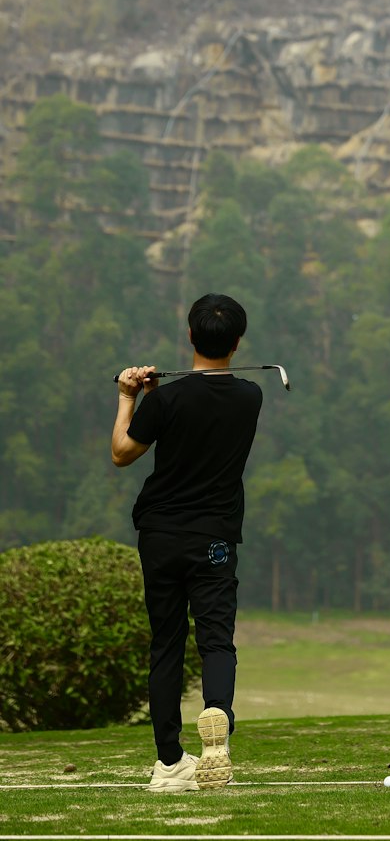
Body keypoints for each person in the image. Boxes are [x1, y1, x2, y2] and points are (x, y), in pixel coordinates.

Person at [112, 293, 263, 792]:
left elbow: (121, 453)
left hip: (160, 536)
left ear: (190, 337)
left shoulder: (166, 400)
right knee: (216, 638)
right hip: (215, 539)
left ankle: (170, 762)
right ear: (237, 342)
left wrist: (130, 395)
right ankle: (217, 715)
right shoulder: (250, 397)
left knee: (167, 645)